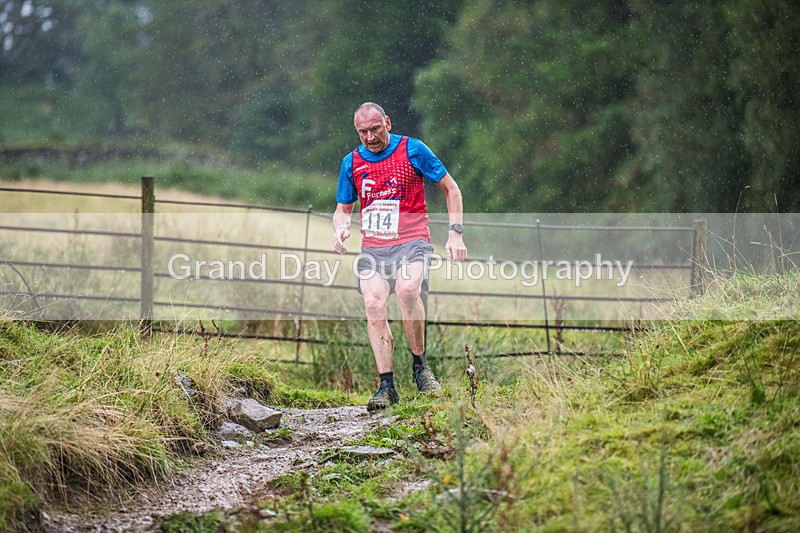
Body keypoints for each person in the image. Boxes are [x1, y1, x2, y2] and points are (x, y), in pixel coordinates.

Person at [332, 102, 467, 411]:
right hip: (374, 249)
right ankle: (387, 386)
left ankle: (421, 368)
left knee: (407, 290)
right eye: (363, 132)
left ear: (388, 123)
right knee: (373, 303)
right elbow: (343, 209)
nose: (369, 137)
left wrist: (455, 233)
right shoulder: (351, 162)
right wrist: (339, 229)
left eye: (375, 129)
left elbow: (452, 189)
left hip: (412, 242)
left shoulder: (413, 150)